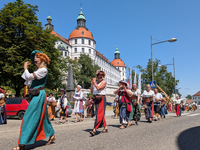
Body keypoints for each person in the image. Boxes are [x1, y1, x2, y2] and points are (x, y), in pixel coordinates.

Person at [13, 50, 55, 150]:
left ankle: (22, 144)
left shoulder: (43, 70)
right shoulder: (37, 71)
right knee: (42, 117)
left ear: (42, 59)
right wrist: (29, 74)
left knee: (28, 117)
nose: (34, 59)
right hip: (35, 94)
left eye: (37, 57)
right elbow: (27, 81)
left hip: (39, 95)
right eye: (34, 57)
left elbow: (27, 77)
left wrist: (25, 68)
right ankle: (52, 134)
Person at [89, 70, 108, 136]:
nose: (100, 77)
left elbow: (99, 88)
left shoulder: (104, 82)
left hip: (101, 98)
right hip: (96, 98)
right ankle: (105, 127)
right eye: (99, 76)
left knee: (99, 114)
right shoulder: (96, 83)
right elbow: (91, 91)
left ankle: (95, 129)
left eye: (101, 76)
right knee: (100, 113)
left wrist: (94, 82)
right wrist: (92, 83)